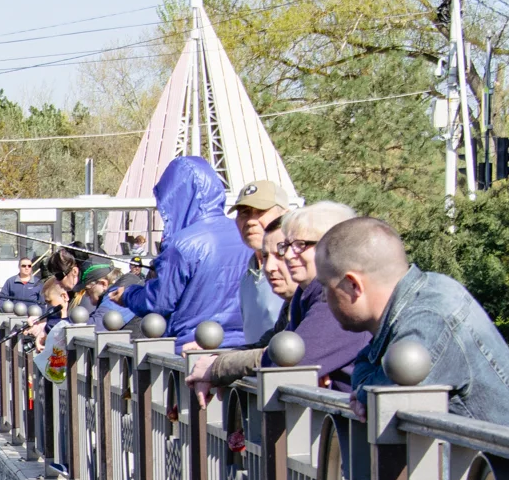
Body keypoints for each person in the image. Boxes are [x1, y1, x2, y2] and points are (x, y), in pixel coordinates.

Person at [317, 217, 509, 437]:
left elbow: (386, 395)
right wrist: (364, 393)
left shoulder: (431, 317)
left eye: (325, 286)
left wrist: (363, 395)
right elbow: (366, 365)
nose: (324, 298)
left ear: (353, 285)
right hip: (493, 466)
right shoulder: (425, 294)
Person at [190, 200, 366, 392]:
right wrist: (216, 365)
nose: (289, 255)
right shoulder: (305, 295)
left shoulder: (339, 297)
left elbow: (288, 360)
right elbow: (275, 349)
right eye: (287, 246)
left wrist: (217, 368)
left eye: (300, 245)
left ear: (333, 246)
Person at [120, 155, 255, 347]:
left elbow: (159, 302)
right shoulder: (245, 234)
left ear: (174, 198)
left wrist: (128, 295)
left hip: (191, 347)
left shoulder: (181, 245)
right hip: (245, 345)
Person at [231, 180, 290, 341]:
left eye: (260, 211)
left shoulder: (295, 272)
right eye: (244, 213)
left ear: (286, 215)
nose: (250, 221)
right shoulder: (248, 275)